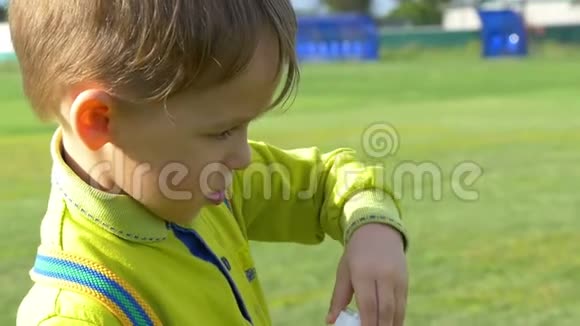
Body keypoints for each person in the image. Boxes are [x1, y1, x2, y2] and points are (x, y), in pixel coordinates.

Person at [9, 1, 409, 325]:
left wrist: (371, 225)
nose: (244, 157)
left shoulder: (201, 185)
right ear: (100, 121)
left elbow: (326, 181)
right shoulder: (79, 313)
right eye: (222, 132)